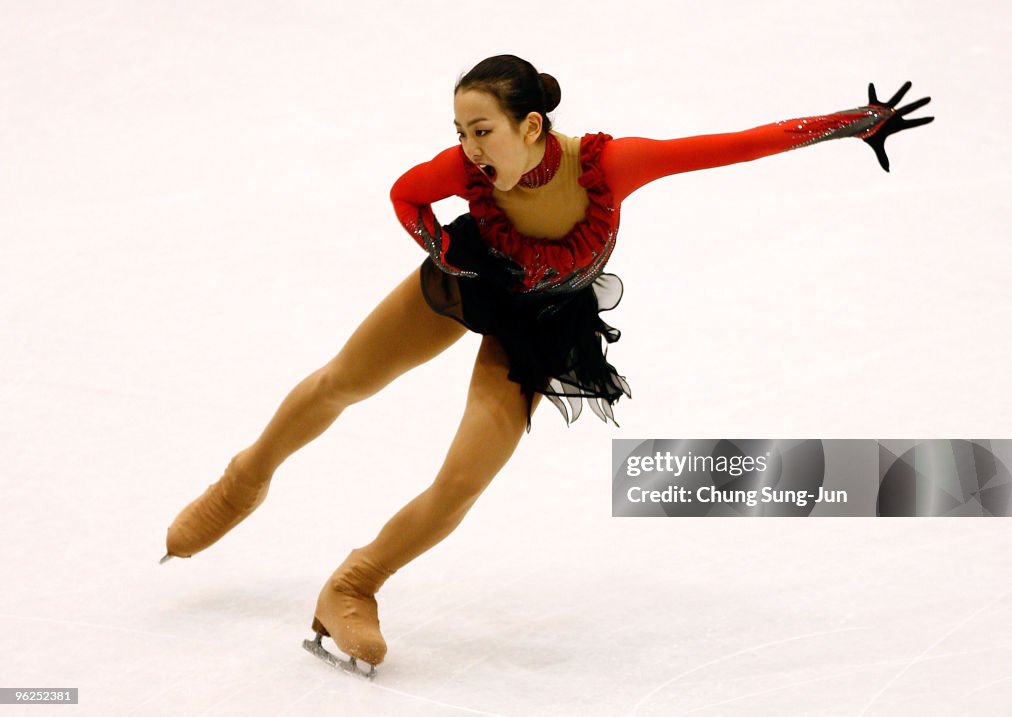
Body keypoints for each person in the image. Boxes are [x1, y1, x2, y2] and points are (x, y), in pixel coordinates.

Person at [163, 55, 932, 675]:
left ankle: (354, 582)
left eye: (483, 130)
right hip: (466, 283)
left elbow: (733, 145)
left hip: (540, 325)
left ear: (532, 126)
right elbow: (406, 194)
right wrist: (437, 249)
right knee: (346, 380)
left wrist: (852, 124)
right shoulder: (462, 172)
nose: (469, 148)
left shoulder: (611, 167)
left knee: (463, 480)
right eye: (460, 130)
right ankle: (245, 478)